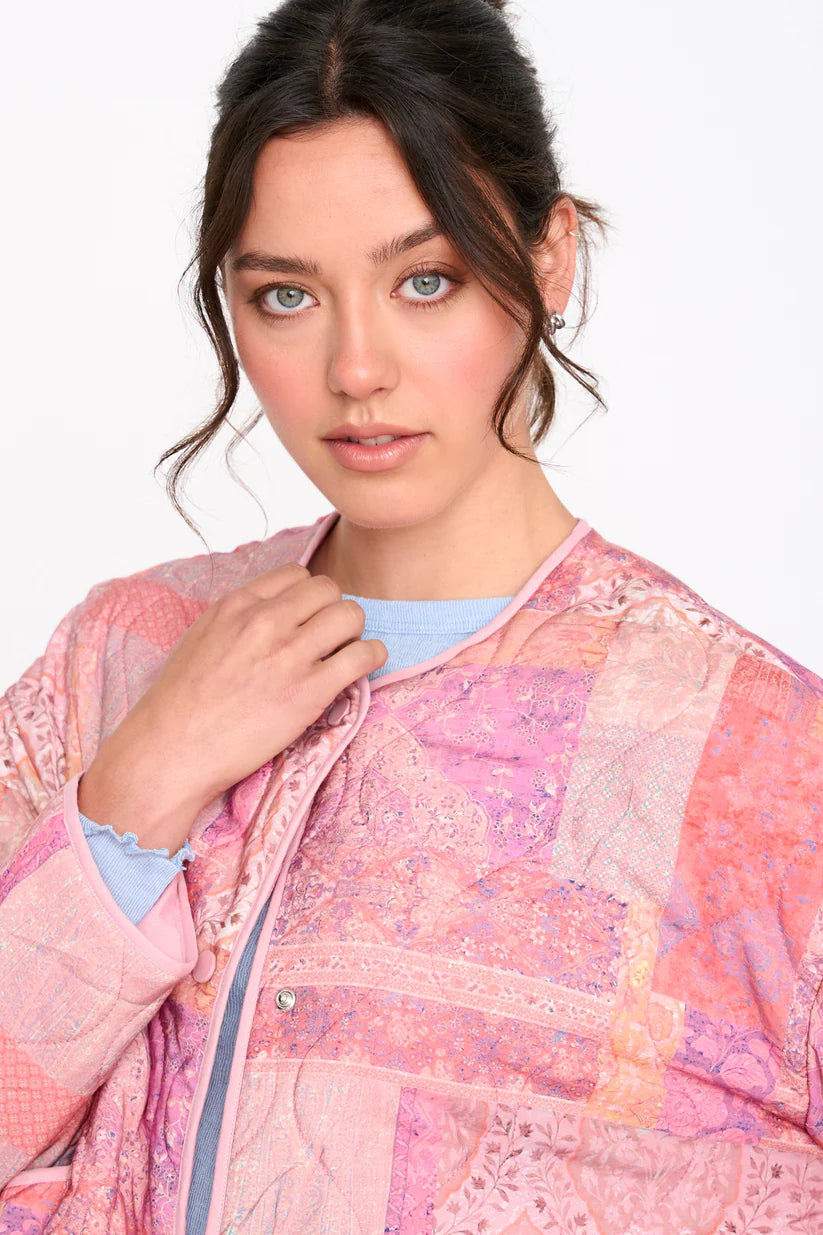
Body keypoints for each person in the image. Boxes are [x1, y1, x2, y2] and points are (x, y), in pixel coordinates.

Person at [1, 0, 821, 1231]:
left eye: (424, 281)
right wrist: (135, 792)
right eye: (287, 296)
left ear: (551, 257)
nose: (356, 369)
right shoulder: (117, 657)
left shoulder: (761, 759)